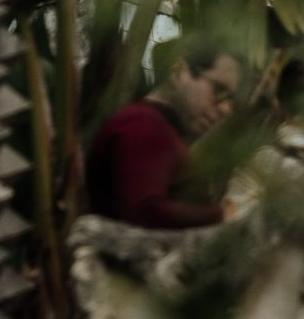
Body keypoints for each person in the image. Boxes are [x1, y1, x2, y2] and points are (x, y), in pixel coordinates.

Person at [86, 41, 242, 230]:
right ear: (177, 72)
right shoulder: (143, 125)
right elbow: (146, 215)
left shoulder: (157, 127)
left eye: (230, 100)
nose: (226, 109)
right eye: (218, 90)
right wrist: (229, 214)